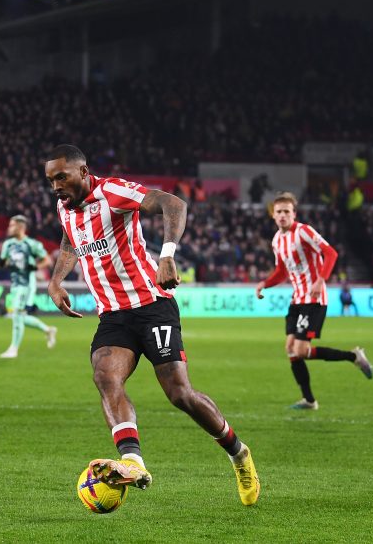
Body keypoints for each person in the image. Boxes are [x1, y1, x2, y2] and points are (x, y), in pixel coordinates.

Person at [44, 144, 260, 506]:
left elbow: (172, 203)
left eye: (61, 177)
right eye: (51, 180)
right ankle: (132, 461)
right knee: (105, 376)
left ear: (83, 172)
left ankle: (238, 453)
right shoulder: (64, 207)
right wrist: (56, 280)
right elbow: (69, 241)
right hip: (113, 314)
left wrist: (167, 255)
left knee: (179, 394)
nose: (55, 186)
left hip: (152, 304)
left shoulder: (112, 192)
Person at [255, 192, 373, 411]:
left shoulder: (304, 231)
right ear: (273, 215)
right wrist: (265, 283)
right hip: (297, 300)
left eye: (286, 212)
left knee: (299, 350)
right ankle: (309, 400)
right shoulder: (277, 240)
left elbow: (331, 253)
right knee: (291, 348)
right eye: (278, 212)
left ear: (294, 214)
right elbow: (281, 271)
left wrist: (321, 280)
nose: (282, 216)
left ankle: (353, 356)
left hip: (314, 299)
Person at [0, 214, 56, 359]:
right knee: (20, 316)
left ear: (21, 227)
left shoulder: (31, 244)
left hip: (27, 284)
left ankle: (13, 349)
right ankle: (48, 330)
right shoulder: (8, 244)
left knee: (17, 313)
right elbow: (2, 263)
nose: (9, 228)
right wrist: (11, 263)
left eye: (12, 225)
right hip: (15, 283)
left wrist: (33, 267)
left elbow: (47, 261)